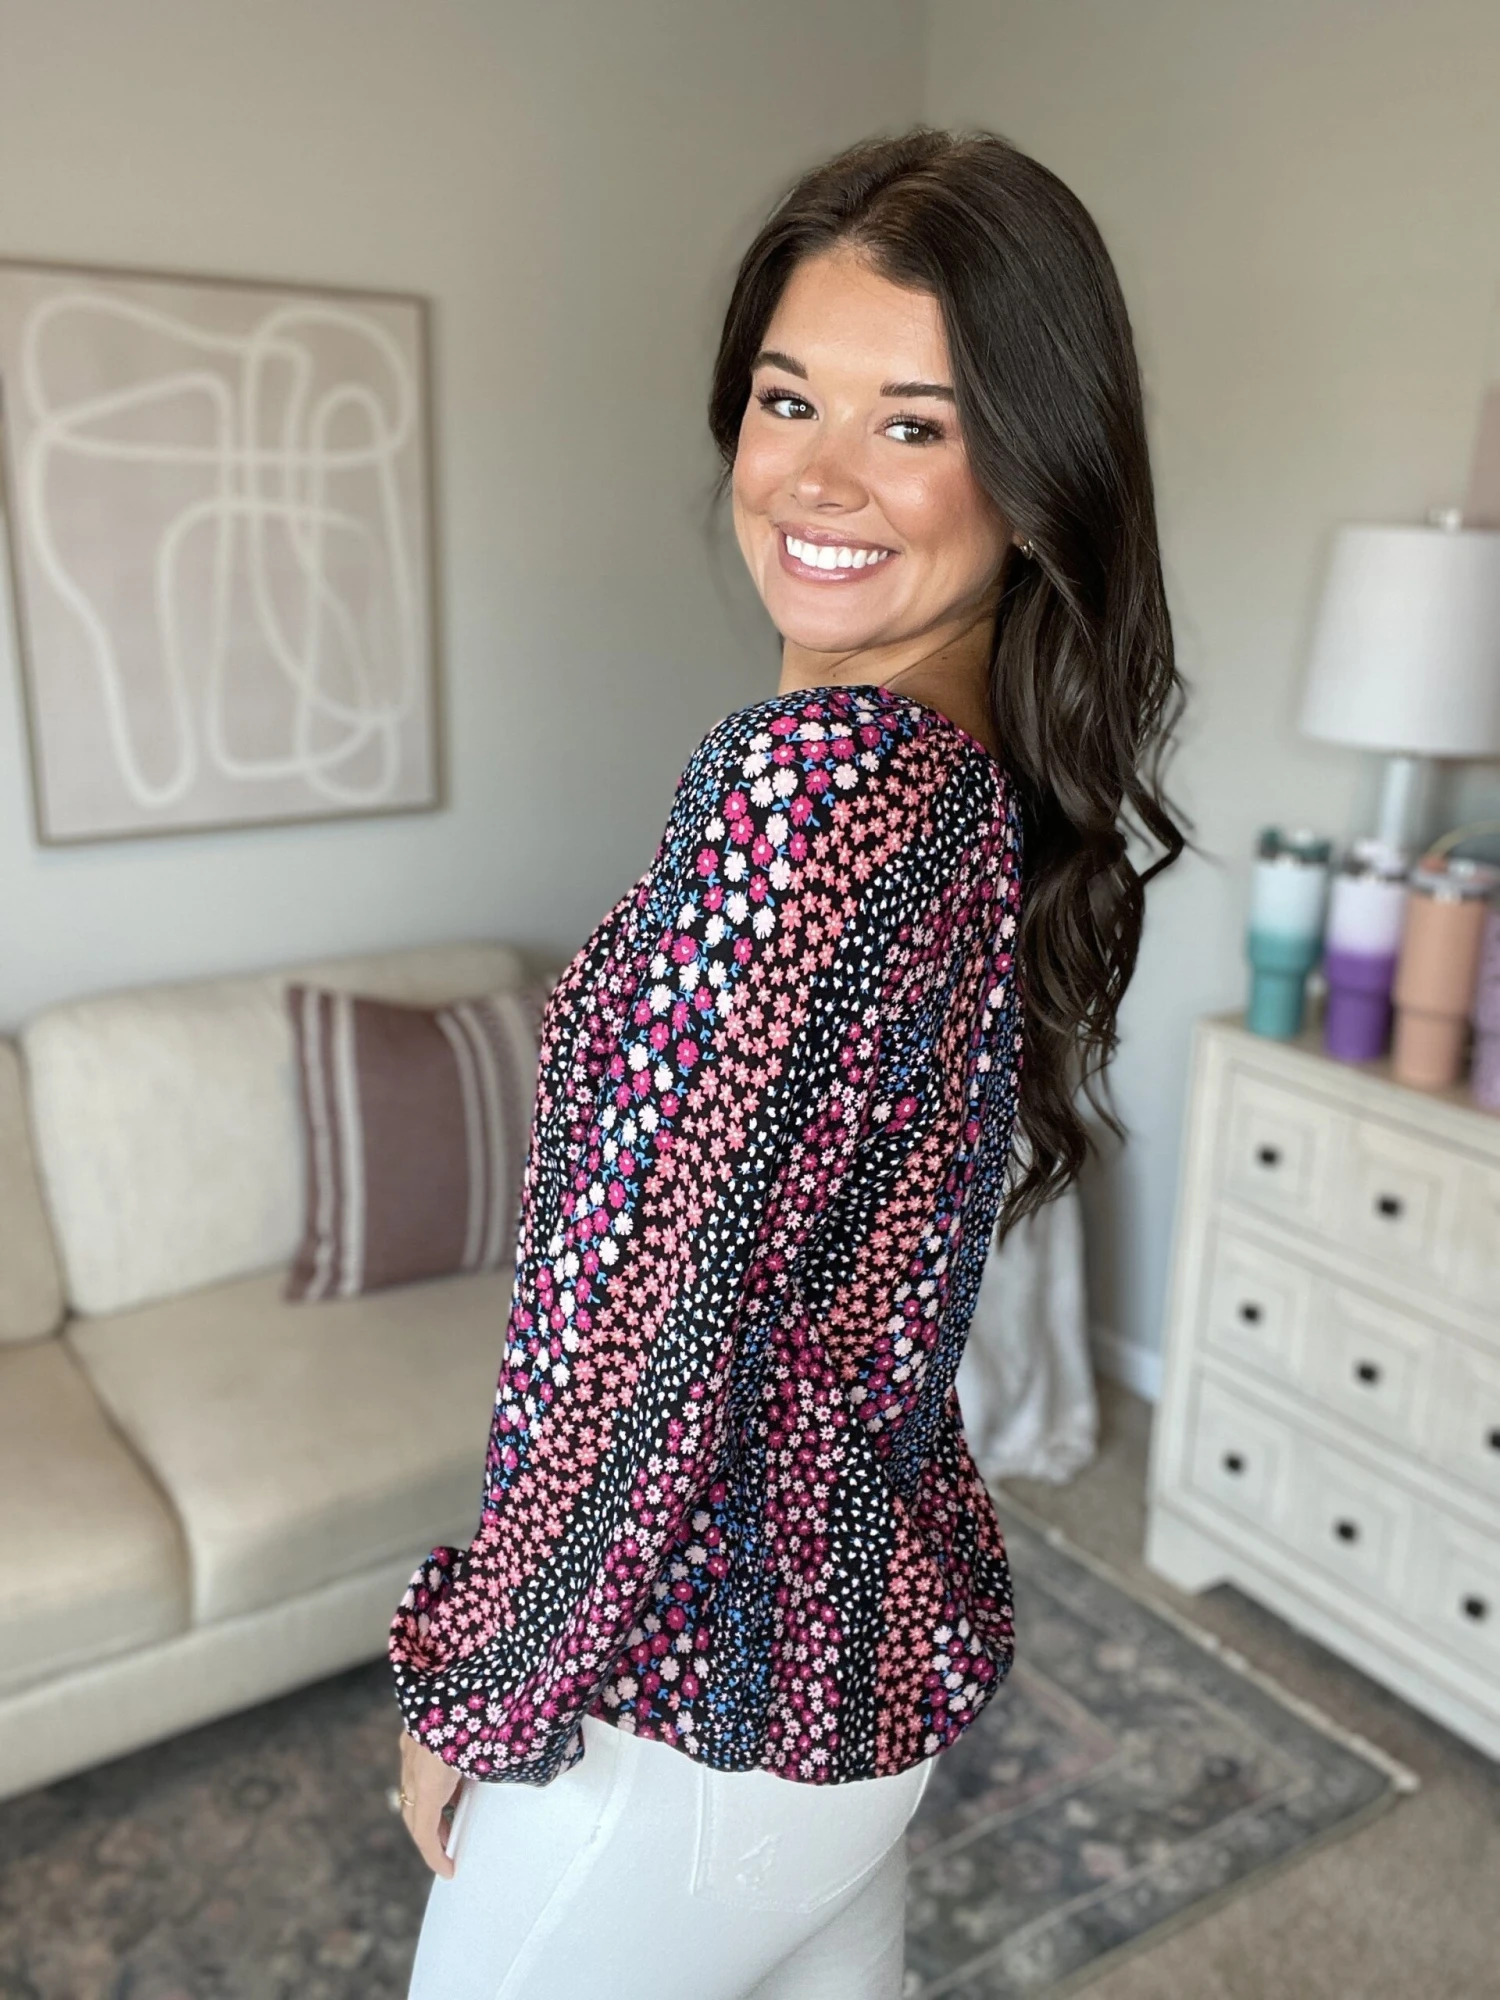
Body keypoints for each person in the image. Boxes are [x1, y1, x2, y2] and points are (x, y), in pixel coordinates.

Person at [389, 125, 1189, 2000]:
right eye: (786, 398)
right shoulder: (960, 781)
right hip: (851, 1688)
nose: (818, 478)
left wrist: (480, 1685)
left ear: (1036, 472)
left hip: (682, 1714)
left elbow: (635, 1320)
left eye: (915, 423)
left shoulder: (814, 794)